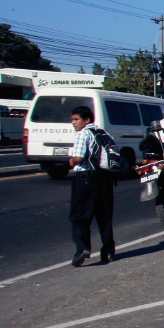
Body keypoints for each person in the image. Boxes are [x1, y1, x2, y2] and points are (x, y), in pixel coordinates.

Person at [66, 105, 116, 267]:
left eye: (76, 119)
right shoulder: (104, 133)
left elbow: (79, 158)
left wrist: (71, 161)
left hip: (86, 178)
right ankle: (108, 250)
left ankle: (82, 248)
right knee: (104, 216)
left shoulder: (83, 134)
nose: (73, 123)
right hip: (105, 179)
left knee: (80, 215)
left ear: (86, 120)